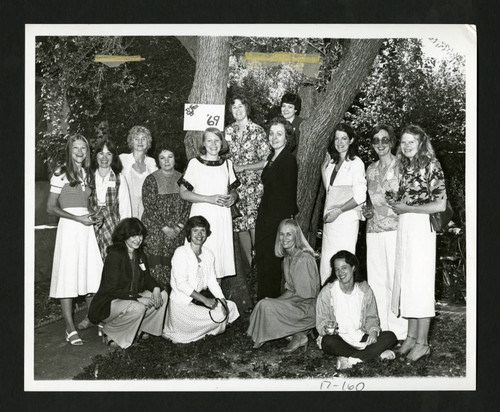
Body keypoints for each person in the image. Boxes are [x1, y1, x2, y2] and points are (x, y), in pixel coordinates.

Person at [389, 125, 447, 362]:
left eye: (411, 141)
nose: (406, 146)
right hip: (406, 226)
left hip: (422, 228)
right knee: (408, 283)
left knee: (421, 285)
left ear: (422, 142)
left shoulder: (431, 165)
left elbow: (440, 205)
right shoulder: (406, 167)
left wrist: (408, 208)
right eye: (403, 142)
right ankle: (411, 338)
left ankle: (423, 343)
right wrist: (397, 204)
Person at [46, 134, 104, 345]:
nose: (80, 152)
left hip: (85, 229)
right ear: (69, 151)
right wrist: (77, 218)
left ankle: (95, 318)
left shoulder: (88, 173)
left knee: (90, 275)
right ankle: (69, 328)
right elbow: (50, 207)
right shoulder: (61, 172)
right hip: (70, 228)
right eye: (75, 148)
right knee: (68, 277)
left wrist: (92, 217)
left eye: (83, 148)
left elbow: (86, 204)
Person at [88, 218, 168, 349]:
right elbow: (112, 289)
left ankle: (143, 329)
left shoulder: (140, 254)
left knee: (163, 295)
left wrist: (156, 289)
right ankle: (109, 333)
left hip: (129, 298)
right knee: (138, 307)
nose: (138, 239)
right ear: (124, 236)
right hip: (110, 303)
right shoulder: (115, 255)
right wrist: (138, 298)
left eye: (140, 235)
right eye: (133, 236)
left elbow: (147, 277)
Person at [162, 216, 240, 343]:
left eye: (202, 231)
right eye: (195, 230)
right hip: (182, 306)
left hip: (197, 302)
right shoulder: (181, 252)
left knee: (229, 306)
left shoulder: (208, 254)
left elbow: (212, 282)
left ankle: (209, 326)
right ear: (189, 233)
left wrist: (222, 299)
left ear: (206, 233)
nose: (199, 234)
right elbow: (181, 284)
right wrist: (205, 300)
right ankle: (182, 332)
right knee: (219, 316)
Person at [316, 250, 397, 370]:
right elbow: (321, 322)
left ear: (353, 268)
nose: (340, 272)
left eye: (344, 268)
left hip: (360, 336)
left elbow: (371, 317)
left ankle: (352, 359)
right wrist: (327, 329)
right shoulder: (328, 292)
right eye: (337, 269)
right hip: (338, 338)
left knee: (390, 336)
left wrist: (373, 332)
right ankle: (373, 355)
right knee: (328, 342)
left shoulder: (364, 290)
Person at [362, 125, 408, 340]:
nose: (380, 144)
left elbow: (408, 200)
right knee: (377, 281)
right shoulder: (370, 169)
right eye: (375, 140)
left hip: (394, 230)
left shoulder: (402, 167)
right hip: (373, 231)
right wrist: (368, 210)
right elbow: (371, 201)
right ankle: (379, 329)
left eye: (384, 140)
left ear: (392, 142)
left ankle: (399, 332)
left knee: (394, 280)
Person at [248, 219, 320, 352]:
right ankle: (298, 335)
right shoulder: (288, 258)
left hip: (307, 309)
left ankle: (300, 331)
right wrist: (275, 302)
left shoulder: (304, 258)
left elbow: (306, 296)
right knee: (264, 303)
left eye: (289, 234)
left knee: (267, 306)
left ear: (296, 236)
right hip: (298, 304)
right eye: (281, 234)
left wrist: (275, 305)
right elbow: (290, 290)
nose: (284, 238)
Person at [179, 127, 239, 280]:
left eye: (217, 140)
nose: (213, 144)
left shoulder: (227, 164)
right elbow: (183, 193)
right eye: (209, 140)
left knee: (219, 259)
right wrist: (209, 199)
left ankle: (217, 299)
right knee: (197, 258)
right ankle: (195, 299)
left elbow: (233, 191)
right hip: (201, 216)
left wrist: (232, 197)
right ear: (203, 144)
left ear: (222, 143)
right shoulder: (195, 163)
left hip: (221, 218)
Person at [255, 116, 299, 300]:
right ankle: (262, 309)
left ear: (287, 137)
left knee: (271, 270)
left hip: (275, 223)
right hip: (265, 219)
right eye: (271, 134)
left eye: (279, 134)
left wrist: (279, 227)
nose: (274, 138)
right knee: (263, 267)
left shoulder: (288, 160)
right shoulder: (272, 158)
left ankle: (270, 313)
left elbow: (288, 196)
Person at [225, 94, 270, 266]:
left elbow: (266, 161)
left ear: (247, 108)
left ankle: (260, 261)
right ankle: (250, 264)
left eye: (240, 106)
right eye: (234, 107)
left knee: (253, 223)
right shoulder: (228, 131)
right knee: (240, 224)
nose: (237, 110)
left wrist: (244, 168)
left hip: (253, 185)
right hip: (235, 187)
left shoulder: (257, 131)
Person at [319, 123, 366, 285]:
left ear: (351, 140)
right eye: (337, 138)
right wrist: (322, 170)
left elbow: (360, 196)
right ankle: (327, 302)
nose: (340, 142)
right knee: (327, 263)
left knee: (343, 263)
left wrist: (338, 211)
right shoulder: (331, 163)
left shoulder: (356, 163)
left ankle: (345, 301)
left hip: (345, 221)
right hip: (330, 222)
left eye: (344, 138)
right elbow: (330, 191)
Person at [141, 145, 190, 290]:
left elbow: (188, 205)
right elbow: (149, 206)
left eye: (170, 157)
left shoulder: (184, 179)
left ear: (176, 158)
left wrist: (179, 227)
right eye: (162, 158)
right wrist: (164, 228)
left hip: (177, 231)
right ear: (158, 160)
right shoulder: (151, 179)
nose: (166, 161)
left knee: (176, 269)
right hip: (155, 229)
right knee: (155, 268)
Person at [89, 138, 132, 261]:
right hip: (91, 225)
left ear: (113, 157)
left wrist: (124, 234)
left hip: (113, 227)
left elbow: (125, 210)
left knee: (111, 261)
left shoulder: (119, 178)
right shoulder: (88, 177)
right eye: (101, 153)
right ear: (96, 156)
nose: (104, 157)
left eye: (109, 154)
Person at [119, 125, 158, 219]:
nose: (140, 142)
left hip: (146, 211)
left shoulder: (151, 162)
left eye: (143, 139)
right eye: (136, 139)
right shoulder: (123, 159)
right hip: (126, 209)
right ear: (131, 141)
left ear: (148, 142)